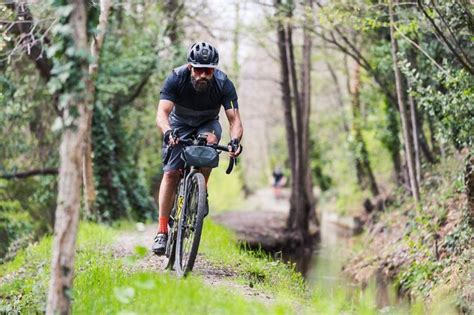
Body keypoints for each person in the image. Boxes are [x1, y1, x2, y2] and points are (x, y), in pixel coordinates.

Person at [152, 42, 243, 255]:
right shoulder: (176, 78)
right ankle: (162, 231)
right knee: (171, 174)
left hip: (207, 123)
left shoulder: (223, 83)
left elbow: (235, 120)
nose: (203, 74)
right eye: (198, 69)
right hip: (179, 123)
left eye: (208, 70)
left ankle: (202, 189)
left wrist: (235, 141)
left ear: (214, 70)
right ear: (190, 67)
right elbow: (162, 113)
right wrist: (168, 132)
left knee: (211, 141)